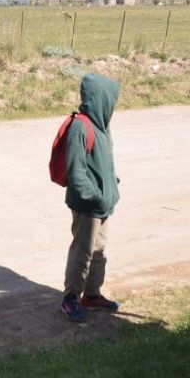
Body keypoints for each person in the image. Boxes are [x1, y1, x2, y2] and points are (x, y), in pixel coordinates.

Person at [59, 73, 122, 322]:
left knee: (99, 250)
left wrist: (111, 188)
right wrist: (96, 197)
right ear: (100, 98)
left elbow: (104, 165)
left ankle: (92, 294)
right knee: (82, 251)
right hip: (88, 205)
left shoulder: (102, 125)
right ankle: (71, 297)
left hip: (103, 204)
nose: (113, 105)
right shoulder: (80, 128)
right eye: (111, 100)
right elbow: (77, 174)